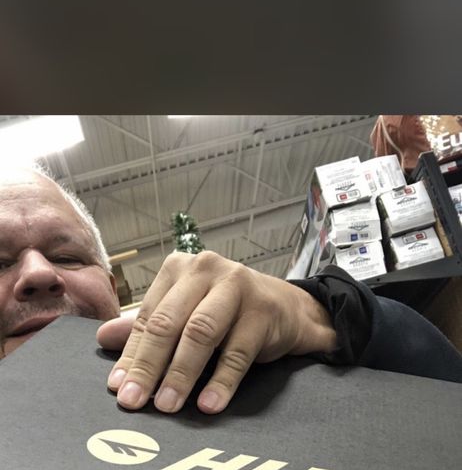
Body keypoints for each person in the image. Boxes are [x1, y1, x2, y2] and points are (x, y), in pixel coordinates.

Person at [1, 167, 461, 406]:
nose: (39, 274)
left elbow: (443, 402)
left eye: (68, 257)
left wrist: (325, 315)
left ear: (111, 288)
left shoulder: (217, 381)